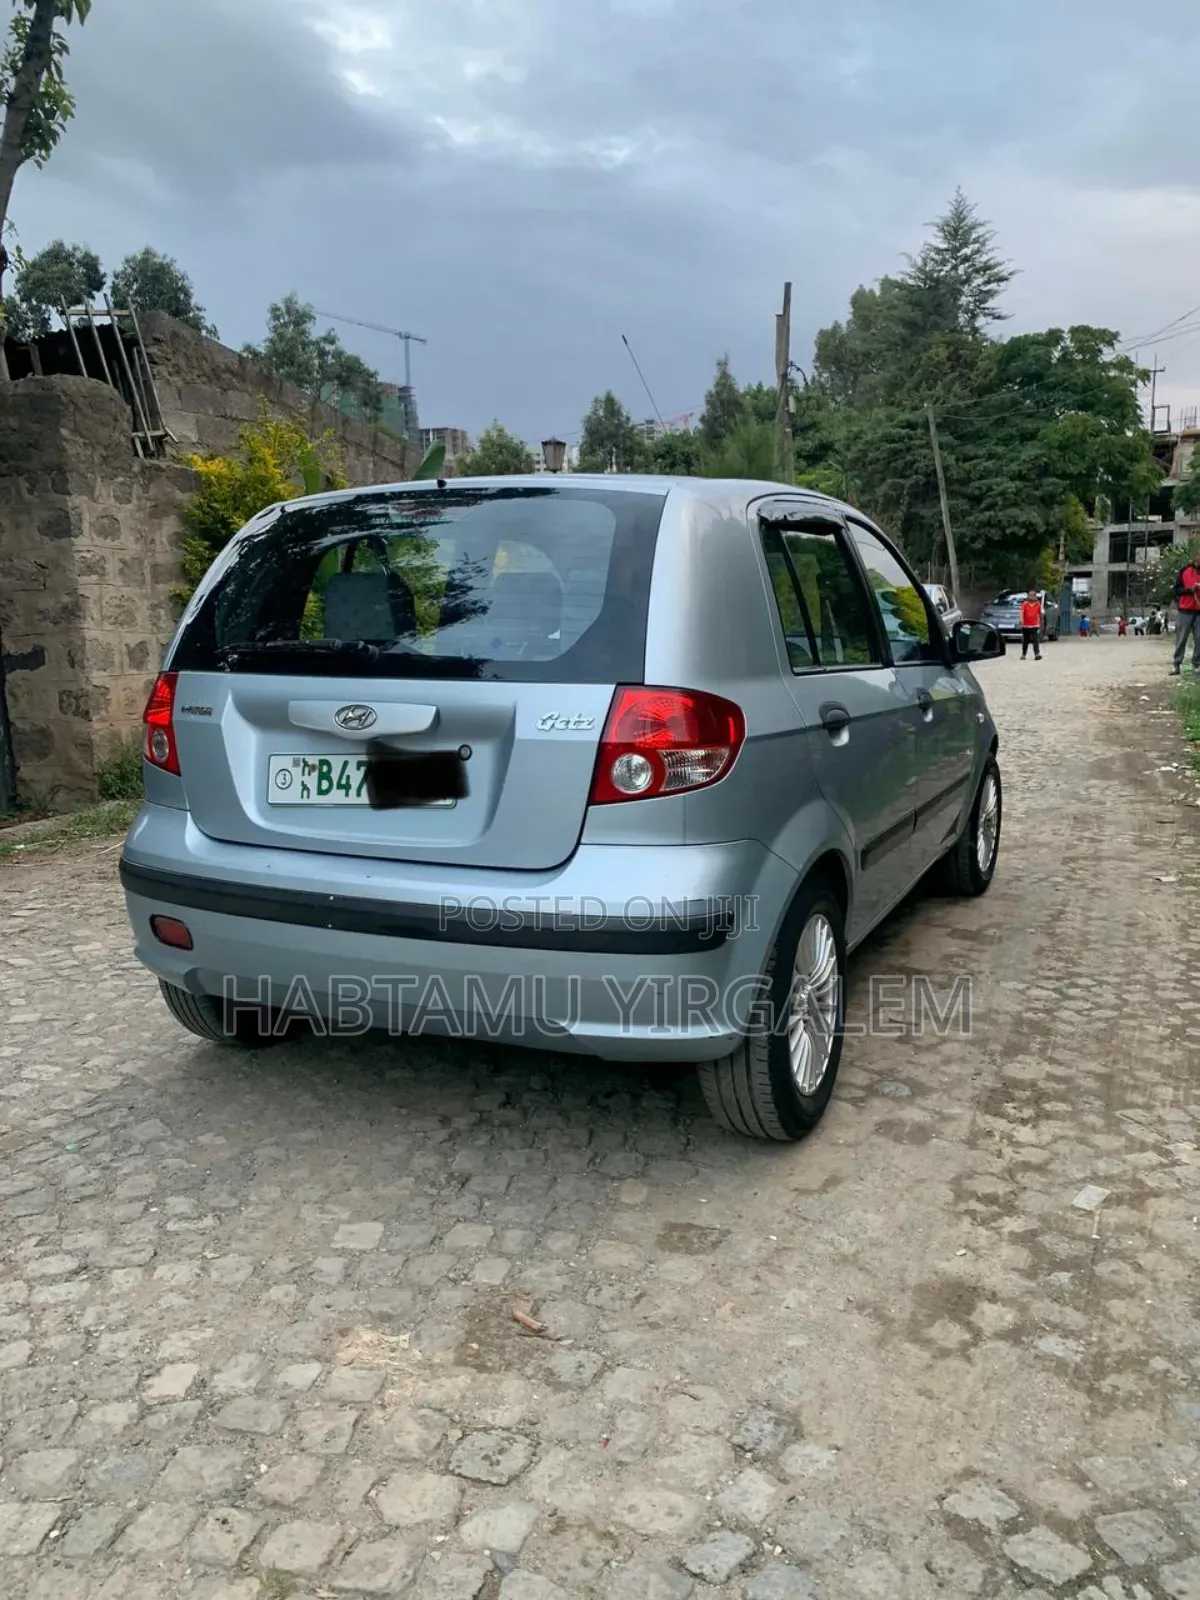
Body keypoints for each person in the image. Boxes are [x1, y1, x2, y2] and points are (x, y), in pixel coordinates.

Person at [1172, 557, 1200, 674]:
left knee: (1199, 638)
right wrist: (1189, 590)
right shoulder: (1185, 571)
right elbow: (1176, 589)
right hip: (1185, 610)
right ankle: (1177, 664)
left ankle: (1197, 665)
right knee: (1182, 638)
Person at [1020, 587, 1043, 660]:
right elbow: (1021, 612)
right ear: (1028, 596)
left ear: (1035, 596)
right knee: (1025, 640)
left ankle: (1037, 654)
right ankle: (1023, 654)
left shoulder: (1038, 604)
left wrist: (1040, 624)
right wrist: (1021, 620)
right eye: (1030, 595)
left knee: (1035, 640)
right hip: (1025, 625)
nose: (1032, 596)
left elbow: (1040, 614)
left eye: (1033, 595)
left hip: (1035, 625)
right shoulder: (1025, 604)